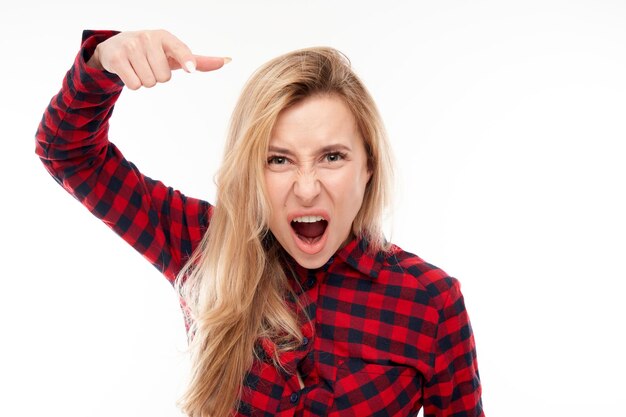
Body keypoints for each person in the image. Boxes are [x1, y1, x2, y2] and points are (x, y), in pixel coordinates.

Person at [36, 29, 484, 417]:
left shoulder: (432, 303)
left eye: (332, 157)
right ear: (250, 168)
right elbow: (67, 153)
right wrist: (103, 63)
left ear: (368, 167)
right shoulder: (205, 246)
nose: (306, 188)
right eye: (278, 159)